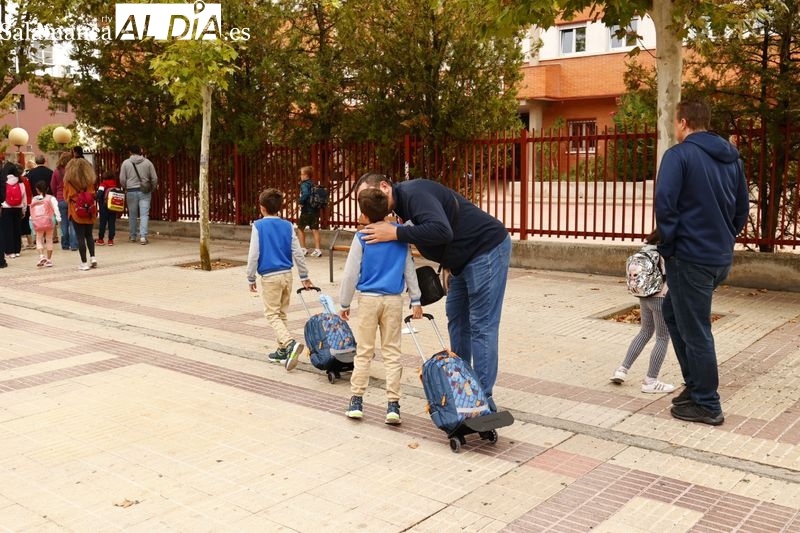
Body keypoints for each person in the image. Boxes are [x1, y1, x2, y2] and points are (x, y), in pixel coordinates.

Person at [354, 172, 510, 411]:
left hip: (485, 250)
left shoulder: (414, 194)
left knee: (481, 325)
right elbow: (444, 226)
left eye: (369, 194)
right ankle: (462, 387)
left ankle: (482, 400)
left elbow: (441, 230)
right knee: (457, 321)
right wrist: (448, 263)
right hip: (460, 261)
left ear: (385, 187)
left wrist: (396, 233)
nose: (367, 202)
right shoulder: (401, 208)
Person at [655, 99, 749, 426]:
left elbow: (665, 206)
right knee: (673, 313)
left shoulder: (678, 155)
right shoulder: (732, 159)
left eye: (674, 122)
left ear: (683, 123)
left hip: (689, 257)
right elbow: (741, 210)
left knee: (696, 328)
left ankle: (708, 403)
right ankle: (694, 387)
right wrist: (723, 238)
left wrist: (668, 246)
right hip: (718, 257)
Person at [339, 188, 423, 424]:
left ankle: (356, 400)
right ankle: (393, 405)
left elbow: (350, 274)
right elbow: (409, 268)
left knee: (364, 351)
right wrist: (416, 299)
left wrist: (344, 303)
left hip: (368, 300)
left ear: (364, 214)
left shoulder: (361, 237)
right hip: (394, 301)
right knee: (392, 353)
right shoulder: (399, 234)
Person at [246, 188, 312, 370]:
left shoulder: (258, 226)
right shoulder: (288, 226)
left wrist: (250, 277)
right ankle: (282, 351)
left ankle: (289, 344)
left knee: (272, 314)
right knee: (281, 313)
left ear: (262, 208)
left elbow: (254, 254)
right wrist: (304, 275)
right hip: (287, 275)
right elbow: (297, 252)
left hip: (270, 277)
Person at [611, 230, 675, 394]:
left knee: (645, 331)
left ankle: (622, 370)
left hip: (644, 295)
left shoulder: (646, 247)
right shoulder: (667, 248)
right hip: (661, 297)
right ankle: (650, 381)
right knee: (662, 337)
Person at [63, 157, 98, 271]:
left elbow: (65, 196)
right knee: (89, 235)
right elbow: (92, 194)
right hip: (89, 211)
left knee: (80, 236)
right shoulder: (90, 181)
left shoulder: (69, 181)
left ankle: (84, 263)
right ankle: (93, 258)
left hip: (76, 210)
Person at [119, 145, 158, 245]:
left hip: (131, 191)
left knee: (132, 215)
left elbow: (122, 179)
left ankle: (133, 236)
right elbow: (154, 178)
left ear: (130, 152)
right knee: (144, 214)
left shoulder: (126, 163)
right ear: (140, 151)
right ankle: (143, 237)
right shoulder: (148, 162)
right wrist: (152, 188)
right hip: (145, 192)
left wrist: (126, 187)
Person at [30, 180, 60, 267]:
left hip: (38, 222)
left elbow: (32, 212)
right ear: (47, 189)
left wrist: (32, 220)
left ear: (37, 189)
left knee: (39, 239)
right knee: (49, 239)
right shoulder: (51, 198)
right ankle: (49, 260)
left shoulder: (34, 199)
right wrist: (58, 218)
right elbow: (56, 209)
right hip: (49, 221)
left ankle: (41, 256)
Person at [51, 151, 76, 251]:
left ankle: (65, 244)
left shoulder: (56, 171)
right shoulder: (73, 171)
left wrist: (56, 195)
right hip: (71, 198)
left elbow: (53, 186)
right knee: (73, 223)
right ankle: (74, 244)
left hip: (60, 199)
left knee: (63, 223)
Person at [1, 161, 26, 259]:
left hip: (6, 208)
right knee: (17, 229)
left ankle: (9, 251)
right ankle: (17, 250)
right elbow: (24, 198)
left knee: (7, 230)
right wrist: (24, 210)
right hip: (18, 207)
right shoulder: (20, 182)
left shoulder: (3, 181)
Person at [296, 165, 322, 257]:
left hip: (306, 210)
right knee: (315, 229)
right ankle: (318, 250)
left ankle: (303, 249)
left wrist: (300, 201)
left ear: (306, 175)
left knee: (300, 228)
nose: (301, 176)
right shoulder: (313, 183)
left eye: (302, 174)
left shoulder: (304, 184)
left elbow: (306, 194)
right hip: (315, 209)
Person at [95, 169, 119, 246]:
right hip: (113, 207)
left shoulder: (103, 185)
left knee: (103, 223)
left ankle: (101, 239)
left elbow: (99, 195)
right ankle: (110, 240)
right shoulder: (115, 185)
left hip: (104, 207)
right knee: (112, 223)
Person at [19, 164, 34, 250]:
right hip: (28, 203)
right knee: (26, 223)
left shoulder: (15, 180)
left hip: (18, 204)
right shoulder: (26, 180)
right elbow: (29, 192)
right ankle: (30, 242)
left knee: (18, 224)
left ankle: (20, 244)